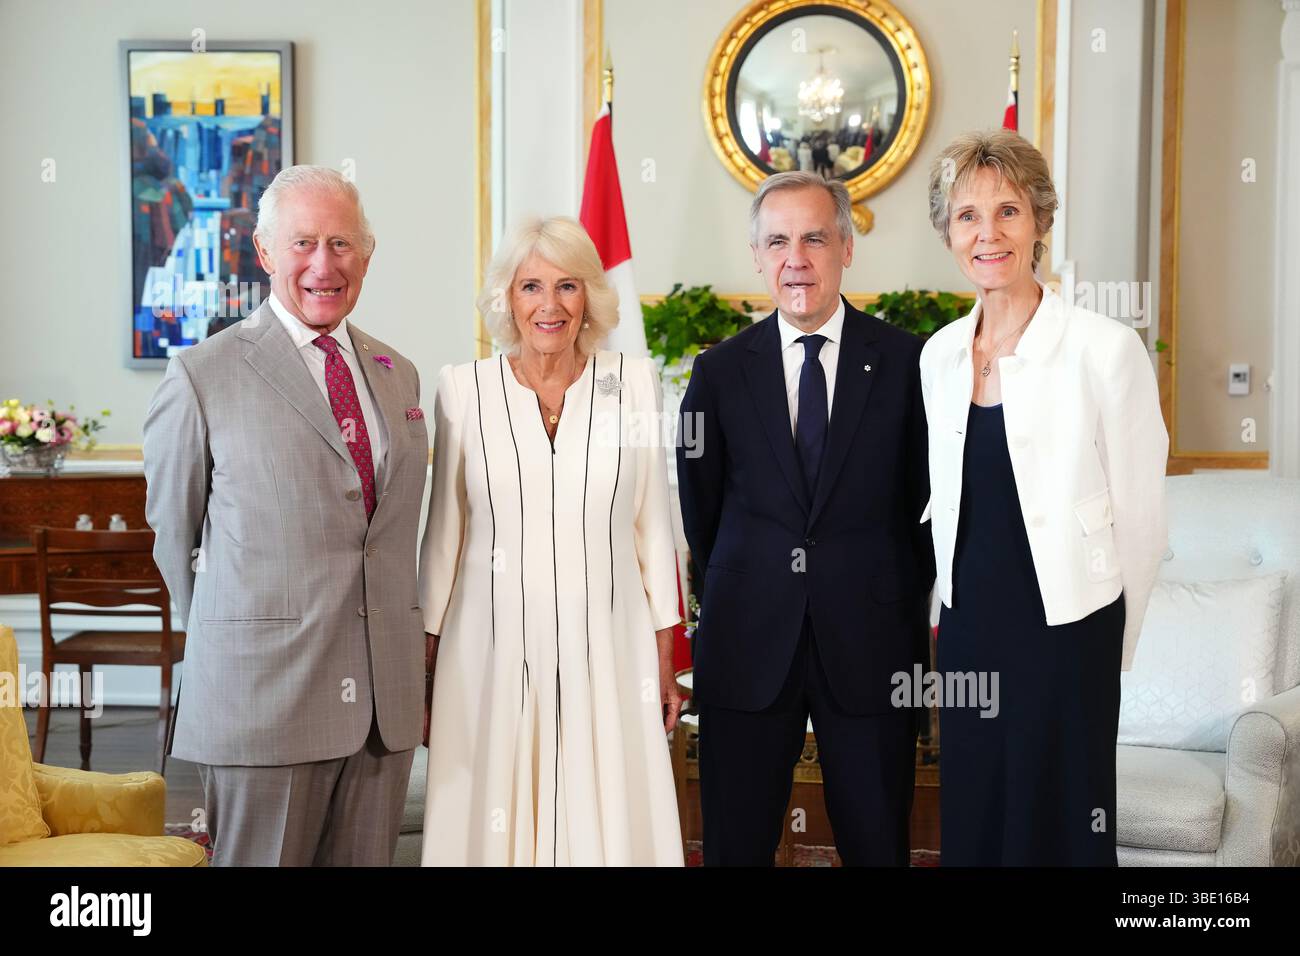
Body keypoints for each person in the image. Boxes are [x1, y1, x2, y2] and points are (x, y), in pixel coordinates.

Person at [143, 166, 426, 866]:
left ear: (367, 253)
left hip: (380, 711)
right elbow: (176, 545)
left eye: (341, 243)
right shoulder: (202, 376)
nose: (323, 265)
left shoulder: (400, 374)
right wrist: (239, 639)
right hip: (263, 701)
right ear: (266, 253)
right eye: (302, 243)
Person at [920, 129, 1168, 865]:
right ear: (948, 233)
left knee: (1063, 816)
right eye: (967, 216)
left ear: (1039, 224)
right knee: (975, 808)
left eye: (1007, 211)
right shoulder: (936, 355)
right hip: (966, 629)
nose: (987, 233)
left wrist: (1111, 643)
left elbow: (1143, 521)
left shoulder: (1105, 348)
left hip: (1070, 626)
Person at [677, 171, 934, 866]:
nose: (797, 258)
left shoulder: (911, 364)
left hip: (873, 643)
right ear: (758, 256)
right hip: (747, 642)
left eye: (815, 237)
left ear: (847, 248)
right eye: (778, 241)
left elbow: (925, 511)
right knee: (737, 844)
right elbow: (702, 514)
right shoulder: (719, 374)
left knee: (878, 842)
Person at [419, 216, 683, 866]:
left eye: (567, 286)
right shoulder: (463, 390)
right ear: (506, 299)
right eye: (530, 286)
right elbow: (442, 539)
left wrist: (667, 657)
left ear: (589, 295)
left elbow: (655, 531)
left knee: (609, 814)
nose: (549, 304)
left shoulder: (634, 385)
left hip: (611, 643)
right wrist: (423, 669)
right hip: (488, 647)